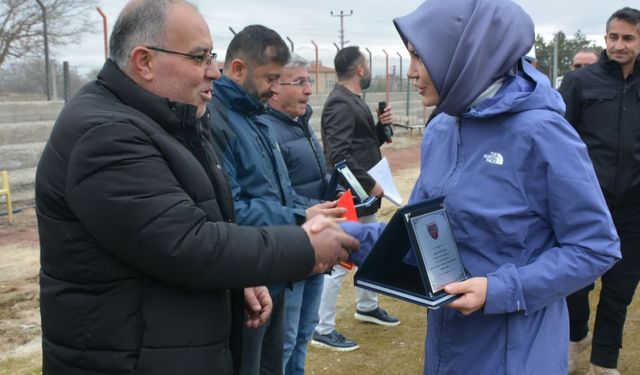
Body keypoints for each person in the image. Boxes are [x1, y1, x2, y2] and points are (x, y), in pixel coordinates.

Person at [35, 2, 359, 374]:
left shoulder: (166, 121)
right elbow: (187, 244)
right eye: (199, 57)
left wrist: (237, 279)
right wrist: (305, 245)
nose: (213, 73)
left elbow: (197, 226)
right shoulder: (106, 135)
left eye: (212, 56)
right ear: (144, 62)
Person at [341, 0, 622, 373]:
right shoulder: (442, 127)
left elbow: (595, 247)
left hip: (516, 352)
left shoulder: (543, 133)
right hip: (448, 342)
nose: (410, 72)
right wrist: (348, 238)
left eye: (419, 57)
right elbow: (421, 234)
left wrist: (500, 290)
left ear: (464, 53)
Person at [207, 26, 345, 375]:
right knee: (266, 362)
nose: (274, 87)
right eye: (271, 78)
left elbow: (275, 190)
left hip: (279, 259)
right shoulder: (219, 121)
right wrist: (300, 216)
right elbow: (231, 207)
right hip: (256, 265)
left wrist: (307, 209)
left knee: (290, 350)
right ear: (238, 69)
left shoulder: (256, 119)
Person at [559, 7, 640, 375]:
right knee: (575, 284)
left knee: (619, 290)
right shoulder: (580, 83)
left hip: (634, 210)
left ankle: (603, 363)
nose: (619, 45)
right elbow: (556, 139)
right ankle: (576, 338)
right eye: (614, 37)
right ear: (605, 38)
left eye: (628, 38)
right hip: (586, 206)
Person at [313, 46, 400, 352]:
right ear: (360, 69)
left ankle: (367, 305)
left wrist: (379, 129)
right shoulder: (340, 103)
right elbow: (338, 156)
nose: (370, 70)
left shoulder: (352, 101)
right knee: (338, 258)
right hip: (350, 196)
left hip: (362, 196)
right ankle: (321, 328)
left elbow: (358, 145)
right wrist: (370, 185)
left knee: (371, 251)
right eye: (368, 66)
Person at [259, 54, 330, 375]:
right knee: (283, 342)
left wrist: (340, 190)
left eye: (309, 80)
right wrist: (313, 211)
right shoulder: (266, 131)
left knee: (304, 332)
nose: (309, 89)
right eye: (299, 81)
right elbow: (273, 194)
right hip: (290, 248)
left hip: (316, 242)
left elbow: (314, 179)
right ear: (274, 87)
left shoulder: (301, 124)